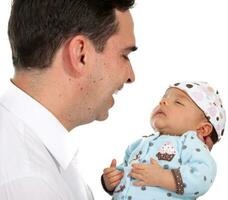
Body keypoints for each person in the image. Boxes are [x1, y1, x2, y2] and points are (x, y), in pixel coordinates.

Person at [0, 0, 137, 200]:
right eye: (124, 55)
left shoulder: (32, 150)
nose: (131, 76)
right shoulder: (29, 182)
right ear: (80, 53)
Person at [102, 81, 226, 199]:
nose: (163, 102)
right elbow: (126, 170)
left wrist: (163, 177)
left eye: (178, 102)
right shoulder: (140, 144)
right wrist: (112, 180)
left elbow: (202, 176)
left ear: (203, 129)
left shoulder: (190, 143)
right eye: (163, 98)